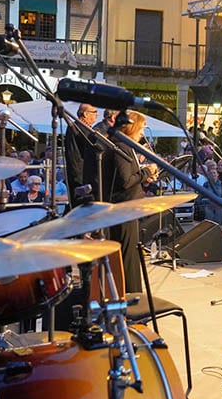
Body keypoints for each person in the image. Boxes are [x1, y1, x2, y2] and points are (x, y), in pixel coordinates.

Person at [86, 110, 157, 294]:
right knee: (128, 256)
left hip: (128, 208)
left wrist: (143, 177)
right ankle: (130, 295)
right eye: (141, 128)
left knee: (131, 253)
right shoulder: (121, 148)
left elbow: (127, 177)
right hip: (124, 209)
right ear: (132, 128)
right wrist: (147, 172)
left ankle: (130, 294)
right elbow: (125, 181)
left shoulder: (126, 147)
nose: (142, 133)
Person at [64, 103, 98, 196]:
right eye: (95, 112)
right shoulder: (79, 128)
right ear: (86, 114)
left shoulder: (80, 127)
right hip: (80, 175)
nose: (97, 115)